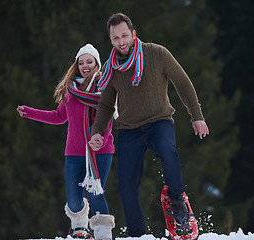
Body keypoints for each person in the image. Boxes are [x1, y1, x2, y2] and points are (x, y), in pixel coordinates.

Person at [89, 13, 209, 237]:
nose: (121, 41)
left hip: (159, 122)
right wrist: (97, 132)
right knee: (126, 187)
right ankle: (137, 234)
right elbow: (105, 105)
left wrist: (196, 115)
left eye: (124, 35)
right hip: (128, 130)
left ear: (133, 34)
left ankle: (177, 203)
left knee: (168, 151)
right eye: (116, 38)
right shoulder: (110, 67)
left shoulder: (156, 53)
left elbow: (182, 82)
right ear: (111, 40)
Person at [16, 44, 115, 240]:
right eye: (81, 62)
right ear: (76, 65)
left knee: (95, 193)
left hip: (100, 151)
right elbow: (58, 116)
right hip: (74, 152)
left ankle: (103, 234)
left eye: (89, 61)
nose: (85, 66)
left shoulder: (104, 87)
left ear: (97, 63)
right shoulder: (71, 90)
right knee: (73, 200)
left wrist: (100, 141)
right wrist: (29, 112)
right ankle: (79, 227)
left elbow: (108, 118)